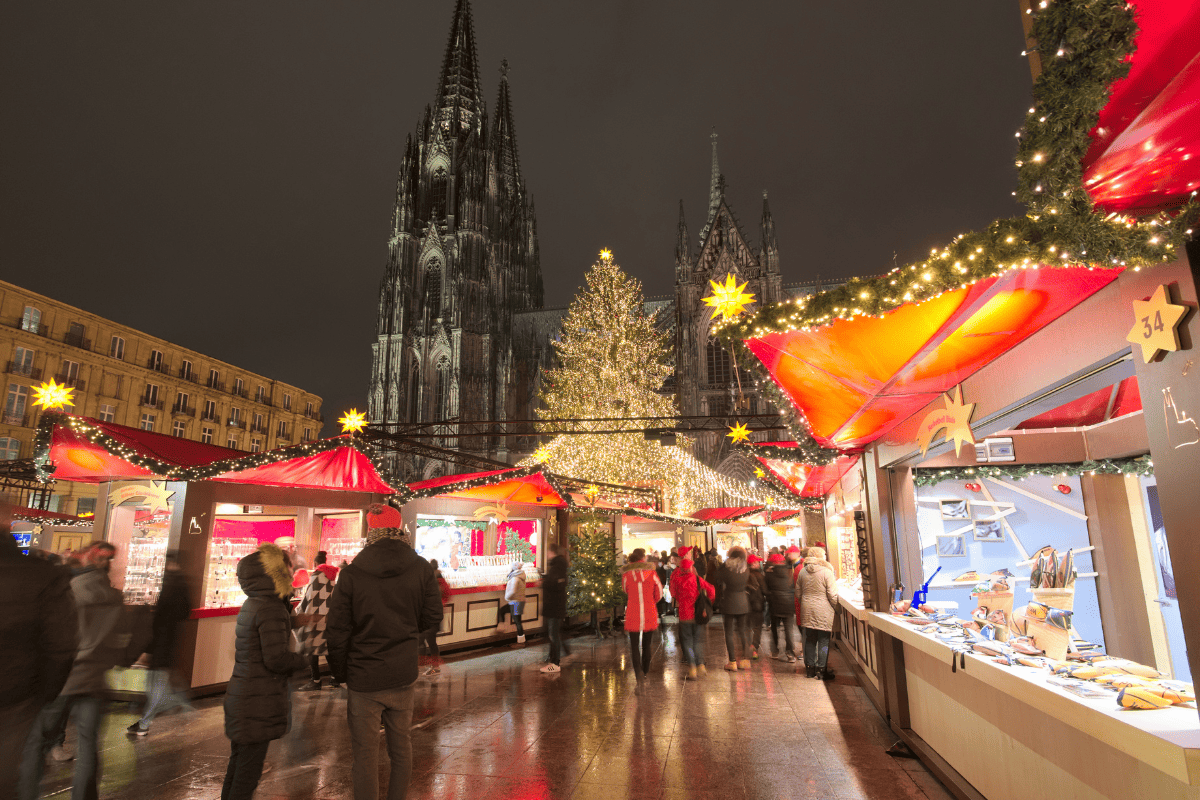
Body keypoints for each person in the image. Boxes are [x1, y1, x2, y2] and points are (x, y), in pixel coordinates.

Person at [326, 506, 442, 800]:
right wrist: (406, 632)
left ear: (370, 531)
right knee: (401, 748)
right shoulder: (421, 568)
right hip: (402, 672)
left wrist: (340, 673)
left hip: (363, 676)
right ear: (400, 527)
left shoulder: (351, 573)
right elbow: (432, 618)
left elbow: (337, 629)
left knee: (364, 755)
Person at [20, 540, 122, 800]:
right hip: (95, 679)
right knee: (88, 745)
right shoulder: (114, 597)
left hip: (62, 678)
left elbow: (53, 636)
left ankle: (26, 793)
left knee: (35, 741)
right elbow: (126, 639)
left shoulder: (69, 591)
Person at [221, 543, 308, 800]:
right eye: (288, 567)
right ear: (275, 572)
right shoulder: (270, 607)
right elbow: (276, 659)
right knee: (247, 772)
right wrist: (305, 660)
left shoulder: (257, 603)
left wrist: (293, 619)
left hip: (245, 694)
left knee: (239, 765)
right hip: (257, 700)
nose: (293, 572)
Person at [2, 520, 78, 798]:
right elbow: (61, 645)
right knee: (14, 772)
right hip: (17, 696)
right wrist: (43, 694)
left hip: (19, 693)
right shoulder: (40, 574)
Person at [128, 551, 193, 735]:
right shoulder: (182, 583)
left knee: (157, 684)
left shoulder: (170, 583)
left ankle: (146, 722)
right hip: (170, 641)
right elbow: (185, 611)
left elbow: (159, 621)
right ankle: (179, 707)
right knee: (164, 681)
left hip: (161, 643)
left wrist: (148, 648)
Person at [297, 551, 340, 691]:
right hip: (329, 617)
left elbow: (309, 598)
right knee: (327, 649)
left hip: (315, 617)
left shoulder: (316, 576)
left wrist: (299, 611)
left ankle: (315, 680)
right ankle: (335, 678)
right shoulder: (332, 576)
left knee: (312, 649)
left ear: (315, 563)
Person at [669, 547, 714, 680]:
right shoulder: (697, 579)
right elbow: (711, 590)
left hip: (684, 615)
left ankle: (692, 668)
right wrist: (708, 602)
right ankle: (701, 665)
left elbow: (673, 593)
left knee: (687, 642)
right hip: (698, 613)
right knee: (698, 641)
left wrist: (681, 599)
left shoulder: (676, 578)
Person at [621, 548, 662, 690]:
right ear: (643, 558)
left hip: (633, 612)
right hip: (649, 612)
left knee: (633, 646)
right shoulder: (652, 572)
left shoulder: (626, 574)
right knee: (646, 644)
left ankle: (638, 673)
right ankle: (645, 671)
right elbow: (659, 593)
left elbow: (625, 590)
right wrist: (651, 601)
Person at [797, 546, 839, 679]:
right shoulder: (827, 572)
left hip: (807, 609)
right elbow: (832, 595)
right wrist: (837, 609)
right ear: (820, 556)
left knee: (809, 640)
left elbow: (798, 593)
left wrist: (805, 601)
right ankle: (821, 670)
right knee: (823, 641)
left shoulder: (802, 572)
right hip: (823, 610)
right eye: (824, 554)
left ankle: (810, 670)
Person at [717, 546, 751, 671]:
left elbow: (717, 578)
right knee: (742, 630)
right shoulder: (746, 569)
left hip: (729, 601)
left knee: (729, 632)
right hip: (743, 601)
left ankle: (732, 662)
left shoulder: (726, 569)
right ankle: (745, 660)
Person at [540, 542, 570, 673]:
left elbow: (555, 584)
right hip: (554, 606)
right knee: (553, 634)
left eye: (548, 551)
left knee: (553, 635)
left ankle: (555, 663)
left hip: (554, 606)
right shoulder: (558, 565)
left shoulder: (558, 566)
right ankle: (552, 660)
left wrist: (543, 582)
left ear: (552, 552)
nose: (546, 554)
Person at [419, 559, 450, 675]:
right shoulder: (437, 580)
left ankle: (434, 666)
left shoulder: (434, 582)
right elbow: (447, 595)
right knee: (426, 640)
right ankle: (429, 665)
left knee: (428, 640)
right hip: (433, 615)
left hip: (431, 616)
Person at [764, 552, 797, 662]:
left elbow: (765, 588)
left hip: (775, 603)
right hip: (788, 603)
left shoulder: (769, 573)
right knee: (789, 629)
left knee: (774, 628)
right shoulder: (790, 571)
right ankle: (790, 653)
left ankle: (774, 651)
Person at [500, 561, 528, 644]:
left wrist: (506, 597)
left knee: (517, 621)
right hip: (519, 601)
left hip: (515, 602)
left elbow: (513, 591)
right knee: (515, 619)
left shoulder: (515, 578)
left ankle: (521, 641)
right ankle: (502, 627)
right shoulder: (520, 577)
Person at [745, 553, 766, 660]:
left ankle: (747, 647)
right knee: (757, 627)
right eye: (757, 562)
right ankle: (754, 647)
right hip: (757, 605)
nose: (759, 563)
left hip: (746, 605)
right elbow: (765, 590)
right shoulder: (759, 576)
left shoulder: (744, 574)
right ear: (753, 563)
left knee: (747, 627)